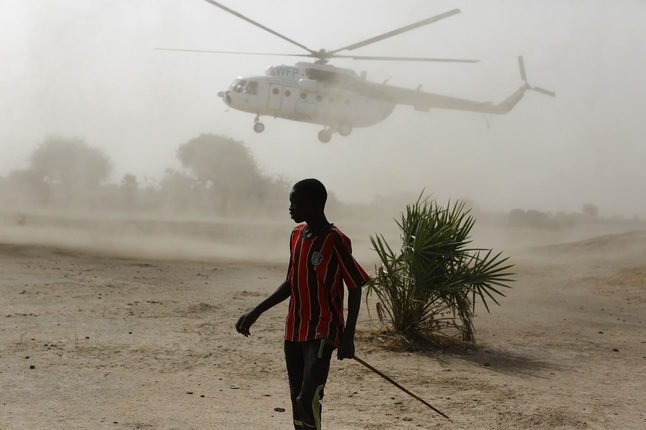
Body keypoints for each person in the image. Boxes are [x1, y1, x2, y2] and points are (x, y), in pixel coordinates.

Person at [235, 178, 370, 430]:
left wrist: (348, 336)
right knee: (296, 399)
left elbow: (355, 285)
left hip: (322, 332)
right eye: (290, 202)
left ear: (314, 204)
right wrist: (256, 311)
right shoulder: (296, 235)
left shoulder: (335, 239)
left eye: (295, 203)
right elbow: (290, 283)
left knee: (308, 397)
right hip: (294, 330)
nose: (290, 208)